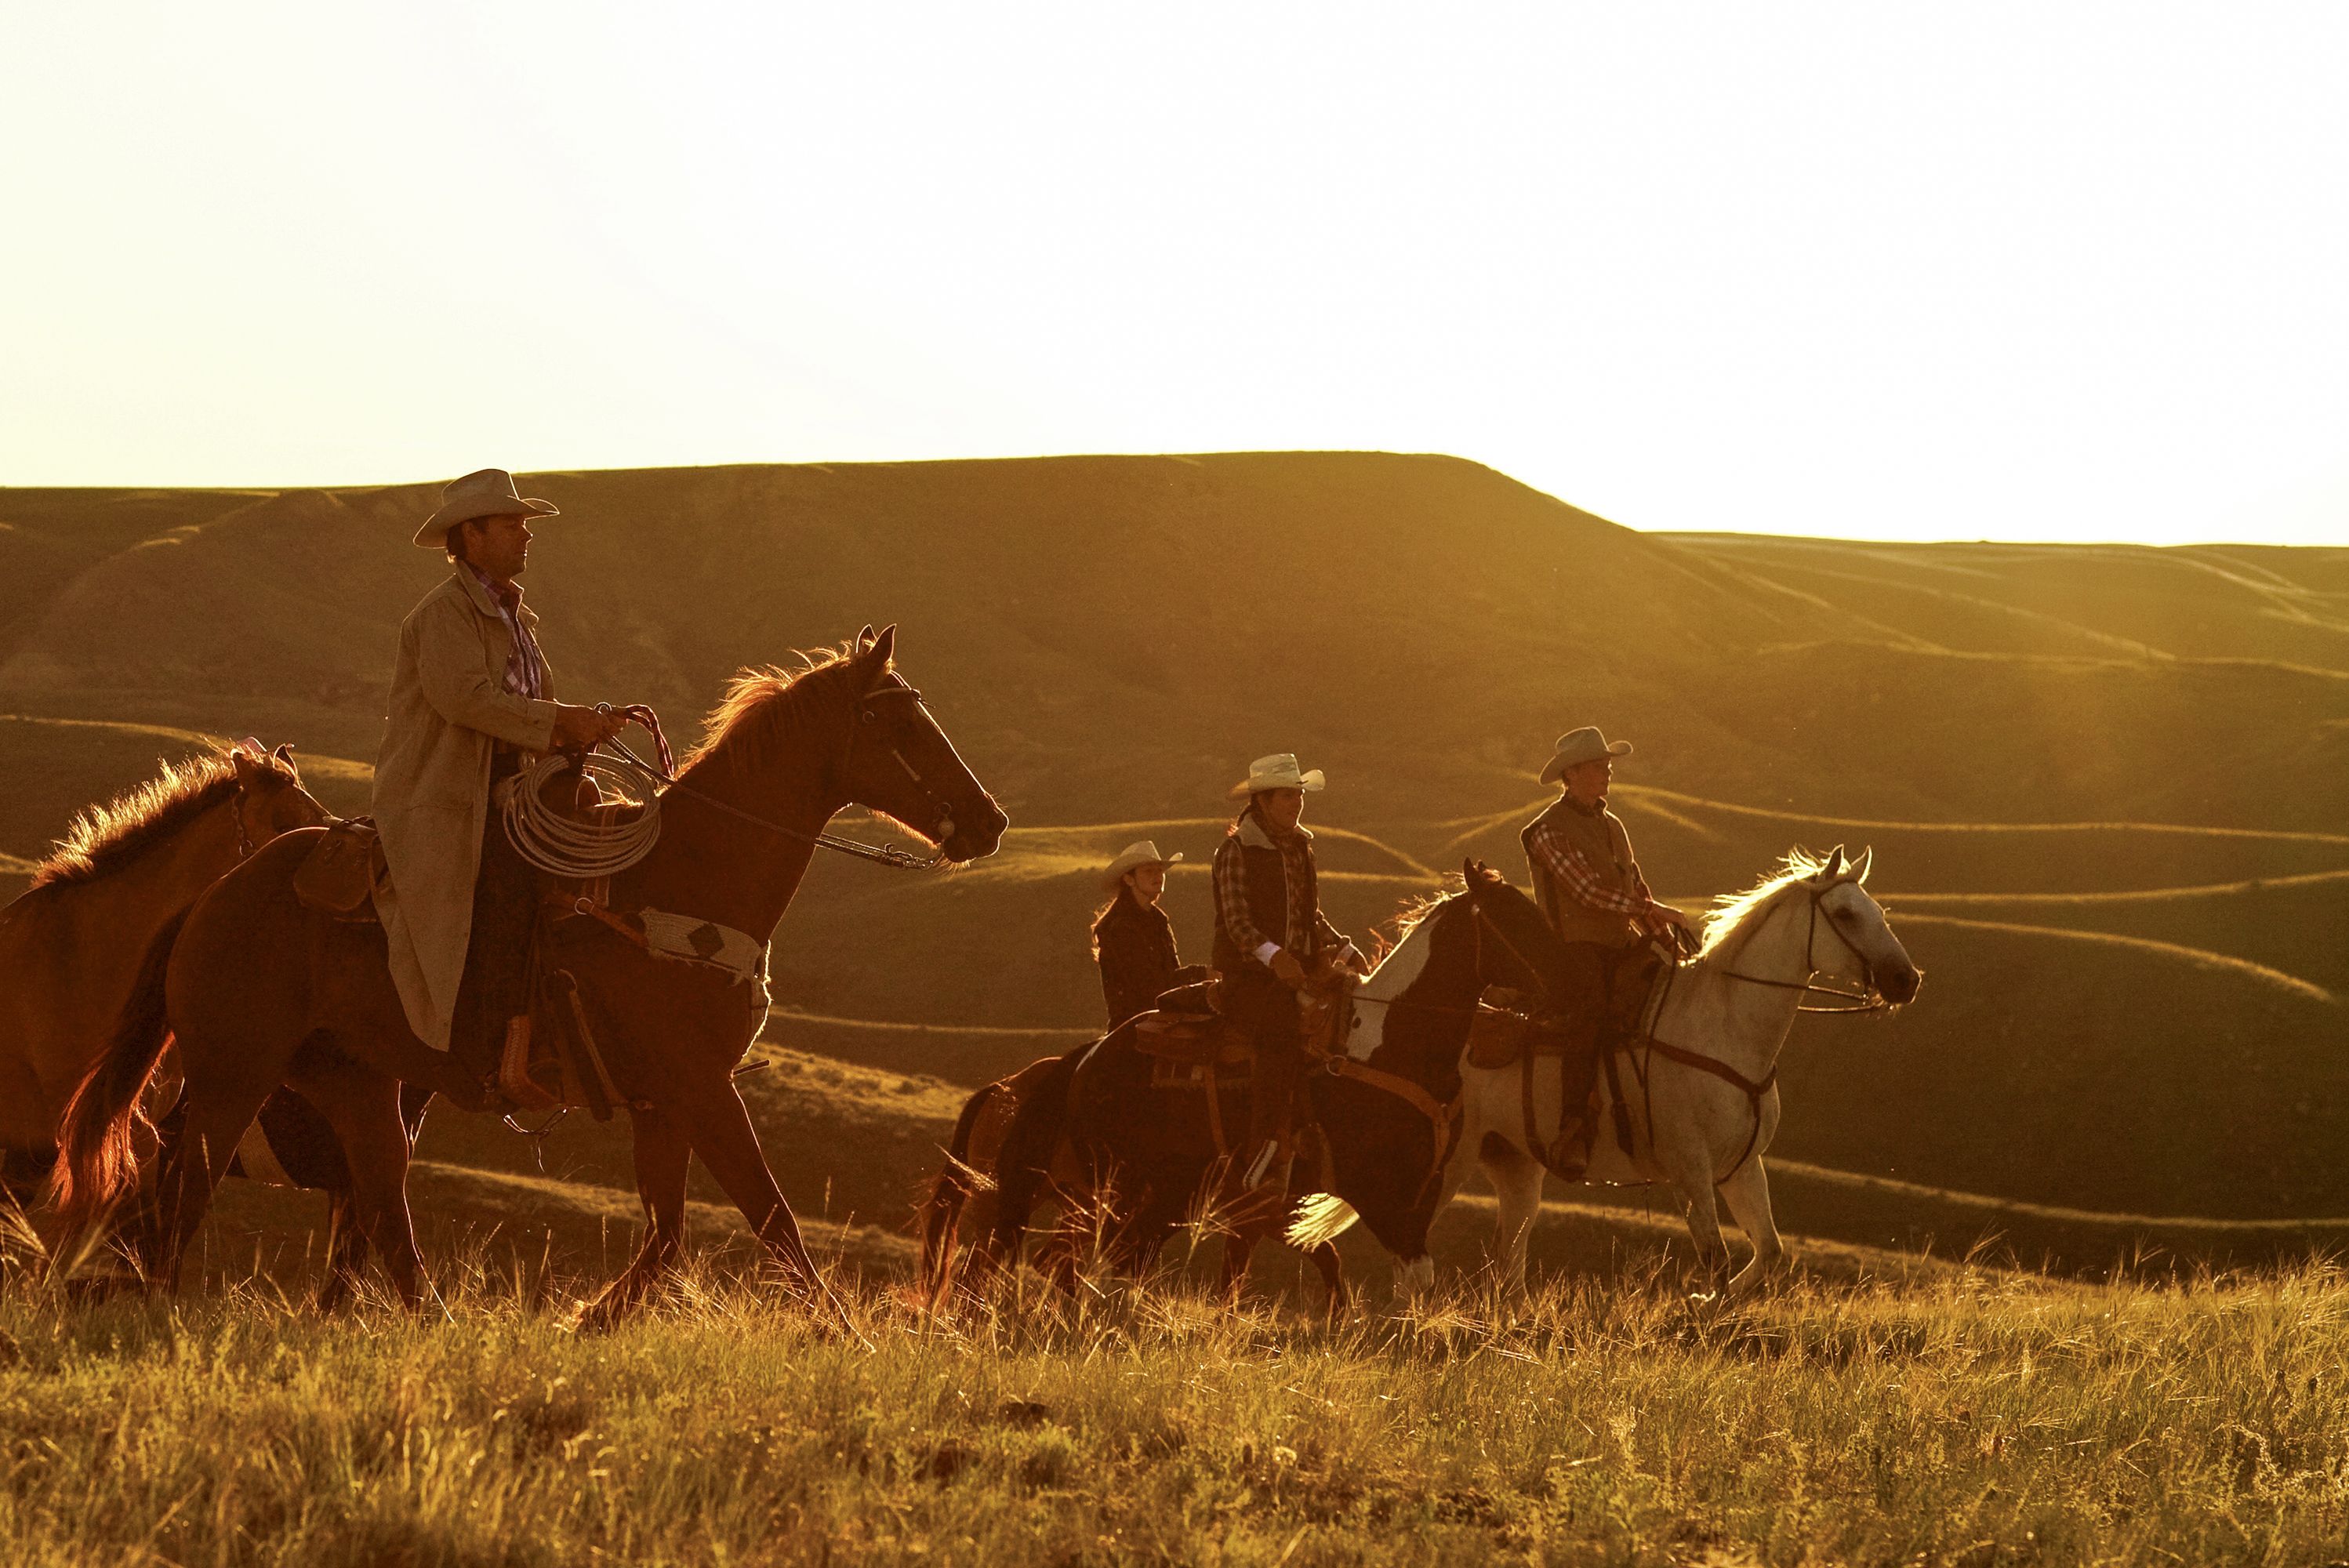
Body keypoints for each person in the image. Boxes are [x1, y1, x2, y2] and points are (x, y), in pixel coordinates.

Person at [372, 468, 626, 1107]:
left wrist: (574, 727)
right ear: (473, 534)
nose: (525, 536)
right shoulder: (441, 617)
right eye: (512, 524)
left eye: (523, 524)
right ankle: (496, 1051)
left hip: (509, 792)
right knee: (512, 884)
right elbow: (467, 700)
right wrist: (558, 721)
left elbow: (519, 707)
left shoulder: (514, 618)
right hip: (447, 798)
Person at [1520, 726, 1697, 1177]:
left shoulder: (1612, 825)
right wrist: (1652, 909)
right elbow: (1588, 893)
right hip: (1572, 950)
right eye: (1600, 767)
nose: (1608, 774)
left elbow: (1633, 884)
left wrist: (1659, 930)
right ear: (1573, 773)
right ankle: (1572, 1125)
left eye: (1608, 767)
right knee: (1592, 1011)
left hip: (1617, 944)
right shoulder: (1545, 831)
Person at [1210, 753, 1363, 1189]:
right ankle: (1262, 1150)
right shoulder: (1236, 851)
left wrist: (1344, 948)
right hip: (1250, 977)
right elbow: (1238, 922)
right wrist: (1275, 957)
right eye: (1286, 796)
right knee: (1279, 1037)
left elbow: (1308, 914)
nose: (1296, 803)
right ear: (1262, 801)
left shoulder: (1298, 848)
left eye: (1298, 795)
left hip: (1297, 968)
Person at [1091, 840, 1210, 1030]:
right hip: (1132, 1024)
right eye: (1149, 871)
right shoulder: (1120, 928)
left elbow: (1169, 976)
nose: (1158, 876)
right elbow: (1149, 984)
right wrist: (1201, 974)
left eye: (1159, 871)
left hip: (1160, 1017)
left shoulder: (1158, 921)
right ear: (1129, 879)